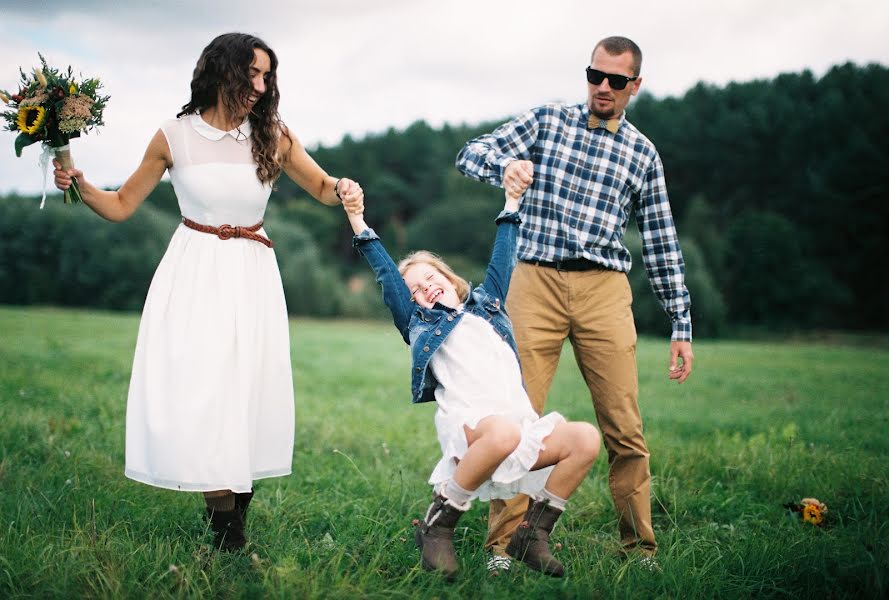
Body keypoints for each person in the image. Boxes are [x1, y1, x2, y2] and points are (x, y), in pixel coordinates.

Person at [52, 32, 364, 551]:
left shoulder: (275, 135)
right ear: (223, 71)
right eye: (254, 74)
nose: (262, 87)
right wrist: (79, 185)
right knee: (207, 390)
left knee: (248, 389)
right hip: (195, 271)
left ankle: (233, 507)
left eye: (268, 77)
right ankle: (226, 527)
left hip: (254, 273)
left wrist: (344, 188)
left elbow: (322, 187)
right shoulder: (173, 137)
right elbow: (123, 204)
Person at [455, 35, 694, 565]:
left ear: (635, 85)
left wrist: (680, 321)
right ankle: (504, 545)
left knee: (624, 425)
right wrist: (505, 169)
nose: (601, 88)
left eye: (614, 80)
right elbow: (471, 153)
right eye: (594, 76)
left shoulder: (642, 154)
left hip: (604, 289)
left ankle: (639, 548)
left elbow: (660, 241)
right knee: (517, 420)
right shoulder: (546, 121)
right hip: (533, 279)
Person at [344, 184, 600, 579]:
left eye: (430, 277)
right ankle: (439, 523)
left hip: (519, 427)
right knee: (501, 434)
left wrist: (512, 201)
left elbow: (504, 258)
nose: (424, 286)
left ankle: (531, 535)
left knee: (584, 439)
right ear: (410, 302)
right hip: (472, 424)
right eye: (414, 288)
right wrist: (358, 219)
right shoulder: (419, 323)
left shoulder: (488, 308)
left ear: (449, 278)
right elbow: (385, 274)